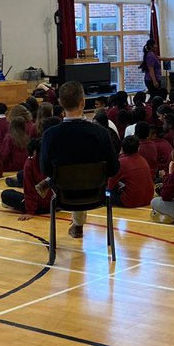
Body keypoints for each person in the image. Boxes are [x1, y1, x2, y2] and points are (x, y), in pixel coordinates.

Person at [40, 79, 119, 238]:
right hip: (97, 194)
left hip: (64, 195)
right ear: (83, 102)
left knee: (72, 178)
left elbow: (45, 169)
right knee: (80, 177)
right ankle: (78, 224)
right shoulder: (101, 133)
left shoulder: (50, 135)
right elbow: (114, 168)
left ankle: (77, 225)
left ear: (61, 103)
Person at [110, 135, 155, 208]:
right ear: (138, 148)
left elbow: (110, 185)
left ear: (121, 149)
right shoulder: (143, 160)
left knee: (105, 193)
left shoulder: (121, 162)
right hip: (148, 198)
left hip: (131, 201)